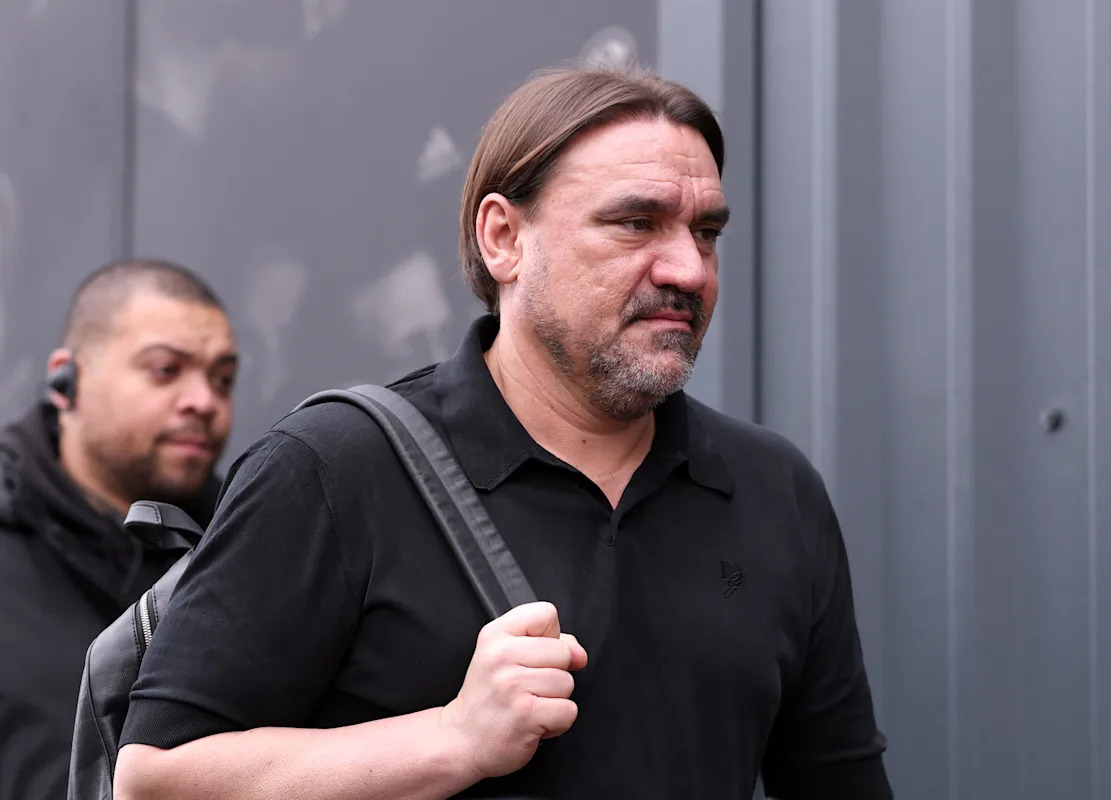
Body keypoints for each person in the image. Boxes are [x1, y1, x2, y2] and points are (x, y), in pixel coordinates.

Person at [112, 66, 891, 799]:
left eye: (707, 232)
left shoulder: (773, 491)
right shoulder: (336, 468)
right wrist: (451, 740)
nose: (688, 269)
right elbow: (154, 778)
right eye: (635, 223)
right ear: (504, 239)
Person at [0, 259, 238, 800]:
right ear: (67, 381)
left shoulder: (243, 557)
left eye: (222, 379)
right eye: (165, 369)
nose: (204, 401)